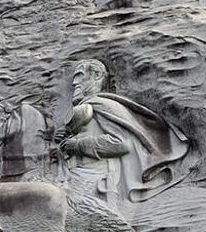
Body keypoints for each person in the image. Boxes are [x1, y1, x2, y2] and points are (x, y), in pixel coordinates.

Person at [56, 59, 190, 205]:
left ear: (97, 75)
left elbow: (121, 143)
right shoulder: (88, 107)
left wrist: (78, 145)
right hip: (74, 176)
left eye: (80, 76)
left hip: (94, 182)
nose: (75, 83)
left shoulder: (101, 105)